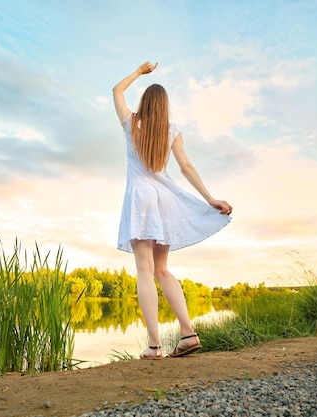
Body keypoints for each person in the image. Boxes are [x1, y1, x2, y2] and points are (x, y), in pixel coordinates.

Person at [112, 61, 232, 359]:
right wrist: (209, 198)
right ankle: (188, 333)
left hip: (141, 198)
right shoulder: (172, 130)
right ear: (165, 108)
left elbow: (116, 90)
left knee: (145, 270)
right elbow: (186, 166)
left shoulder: (131, 124)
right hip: (164, 200)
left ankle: (154, 346)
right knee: (162, 270)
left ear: (144, 103)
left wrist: (139, 72)